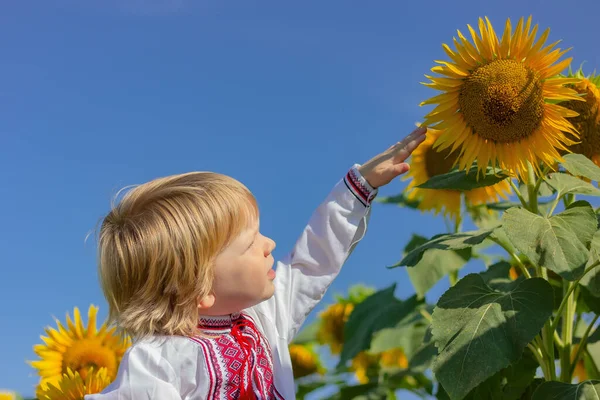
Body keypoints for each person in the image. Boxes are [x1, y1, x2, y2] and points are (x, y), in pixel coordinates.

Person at [86, 126, 427, 399]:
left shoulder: (263, 321)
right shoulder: (158, 361)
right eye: (250, 242)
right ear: (200, 286)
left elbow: (311, 263)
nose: (270, 245)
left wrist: (358, 187)